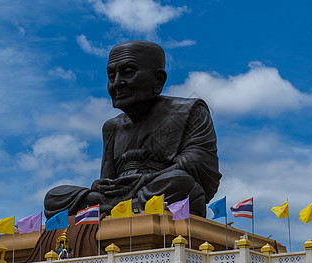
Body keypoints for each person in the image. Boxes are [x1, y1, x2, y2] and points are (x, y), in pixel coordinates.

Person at [44, 40, 221, 219]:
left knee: (180, 182)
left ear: (158, 80)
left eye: (128, 72)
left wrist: (146, 179)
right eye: (111, 76)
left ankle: (117, 210)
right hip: (120, 197)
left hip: (159, 187)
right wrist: (103, 186)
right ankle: (123, 209)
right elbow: (108, 181)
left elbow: (199, 165)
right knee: (55, 197)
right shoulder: (111, 127)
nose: (117, 83)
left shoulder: (189, 111)